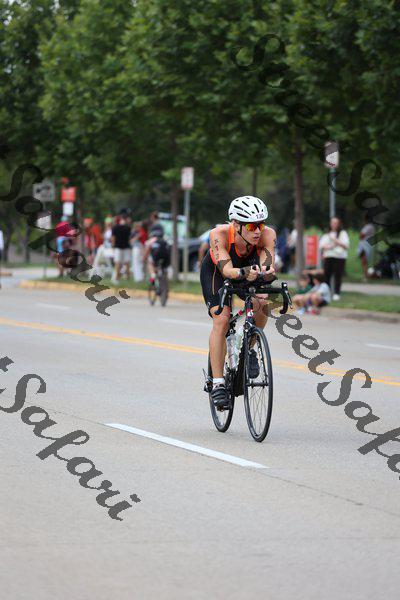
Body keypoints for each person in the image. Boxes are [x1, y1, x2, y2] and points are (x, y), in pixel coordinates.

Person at [200, 195, 276, 407]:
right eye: (251, 226)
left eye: (261, 224)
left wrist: (266, 272)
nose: (258, 231)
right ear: (236, 224)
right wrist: (244, 272)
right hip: (217, 273)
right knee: (222, 319)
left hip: (248, 270)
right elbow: (227, 270)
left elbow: (268, 264)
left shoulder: (268, 234)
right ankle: (218, 383)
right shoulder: (219, 235)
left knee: (262, 302)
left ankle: (249, 347)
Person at [319, 217, 349, 300]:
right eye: (332, 222)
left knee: (338, 275)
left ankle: (336, 293)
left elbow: (346, 245)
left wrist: (335, 240)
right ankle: (326, 293)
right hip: (328, 257)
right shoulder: (327, 234)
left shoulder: (343, 233)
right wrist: (332, 246)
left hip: (339, 257)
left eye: (336, 223)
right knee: (327, 276)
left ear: (339, 224)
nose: (334, 224)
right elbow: (322, 245)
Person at [111, 212, 132, 283]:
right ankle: (127, 278)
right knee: (127, 263)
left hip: (118, 247)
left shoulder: (115, 227)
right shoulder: (128, 228)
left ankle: (117, 279)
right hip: (126, 247)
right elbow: (129, 238)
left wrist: (113, 246)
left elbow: (113, 238)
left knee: (117, 263)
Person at [358, 216, 375, 281]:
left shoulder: (368, 226)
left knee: (364, 261)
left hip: (365, 246)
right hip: (366, 245)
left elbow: (361, 235)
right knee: (364, 262)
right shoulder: (371, 227)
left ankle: (365, 276)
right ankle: (365, 275)